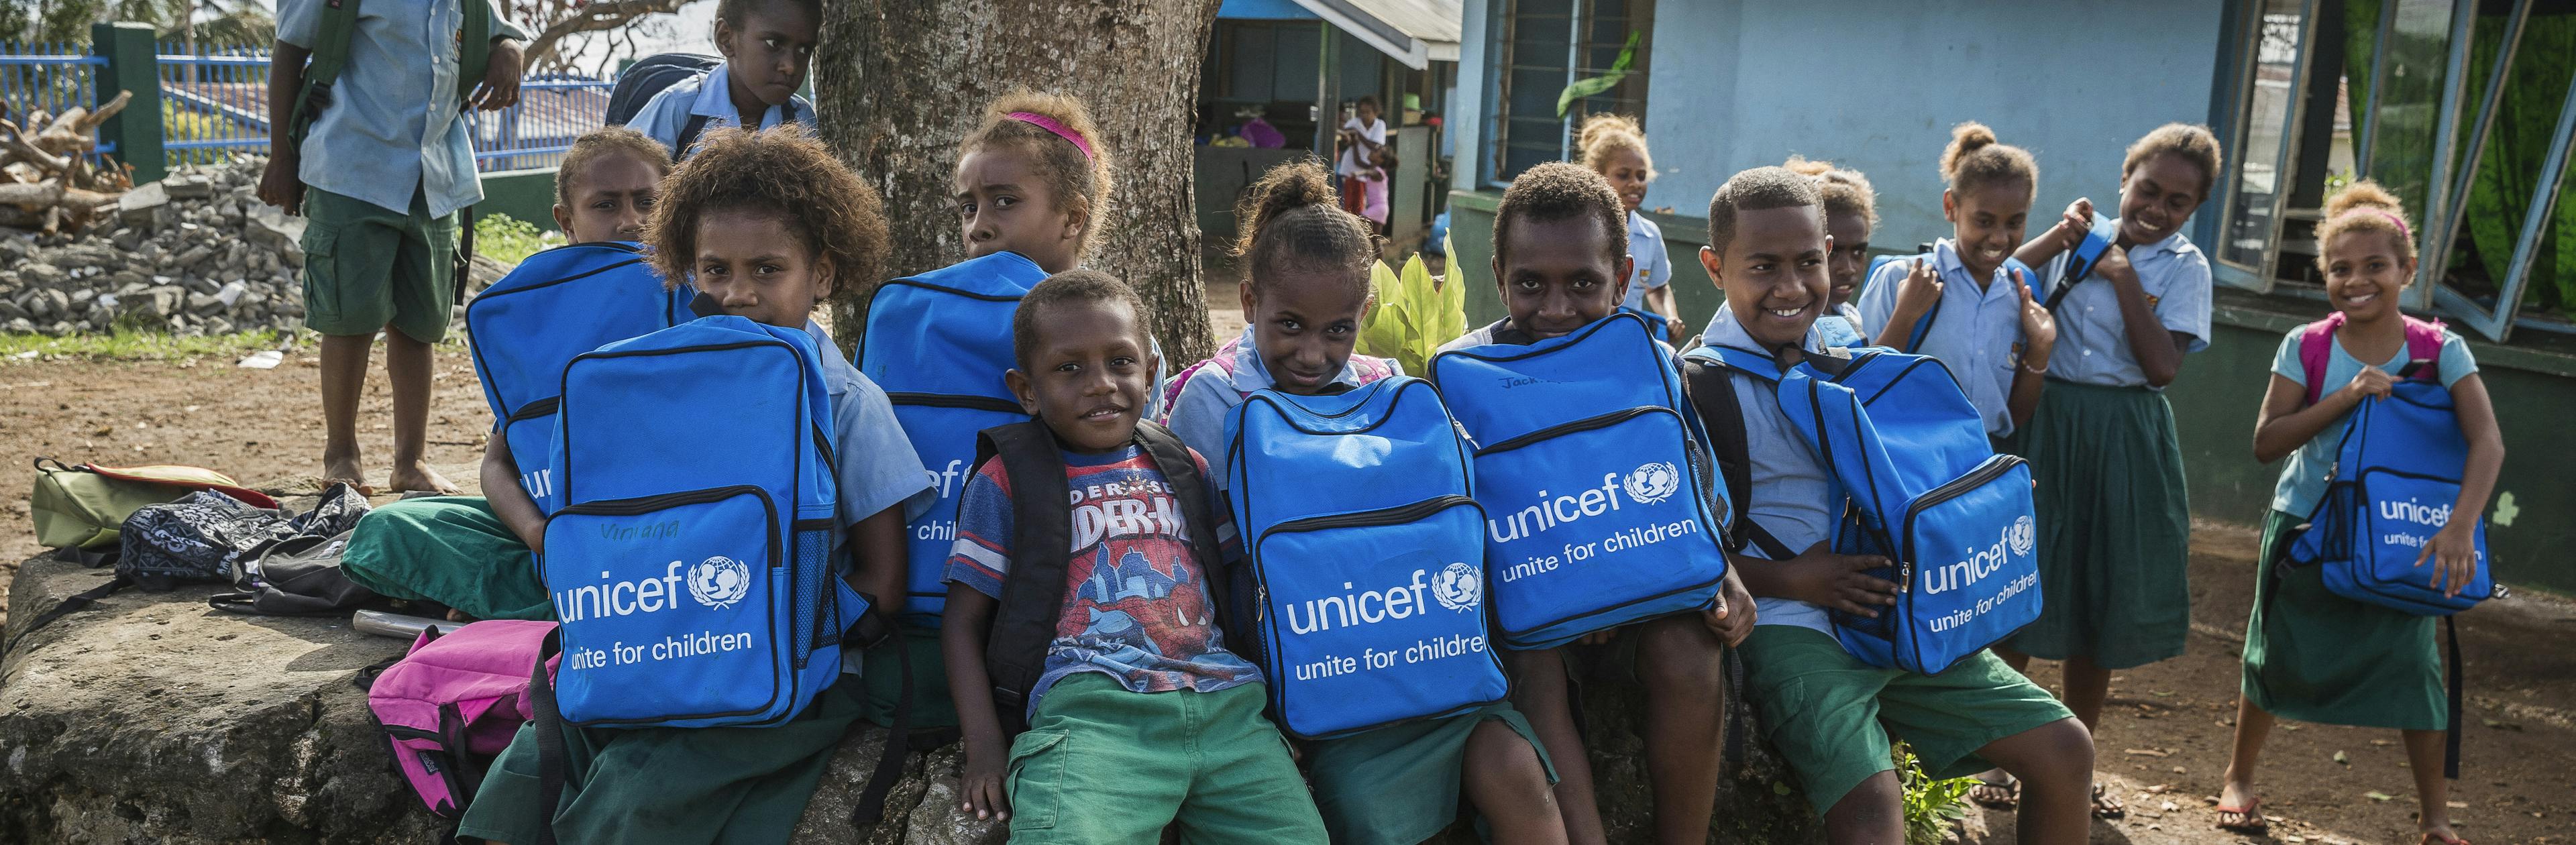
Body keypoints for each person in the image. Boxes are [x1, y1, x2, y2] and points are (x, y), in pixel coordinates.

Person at [451, 125, 934, 844]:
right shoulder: (655, 385)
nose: (737, 295)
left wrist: (777, 636)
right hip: (658, 634)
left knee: (644, 793)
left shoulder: (847, 402)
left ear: (823, 276)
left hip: (786, 669)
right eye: (714, 272)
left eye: (768, 271)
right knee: (541, 753)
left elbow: (883, 583)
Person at [1161, 159, 1568, 845]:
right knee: (1368, 811)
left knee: (1515, 765)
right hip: (1324, 677)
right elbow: (1204, 556)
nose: (1313, 354)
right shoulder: (1214, 397)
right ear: (1249, 297)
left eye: (1337, 330)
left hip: (1428, 653)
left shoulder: (1388, 387)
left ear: (1364, 316)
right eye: (1289, 325)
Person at [1695, 165, 2094, 845]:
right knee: (1873, 807)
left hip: (1895, 612)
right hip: (1791, 622)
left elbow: (1900, 476)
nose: (1791, 287)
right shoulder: (1699, 387)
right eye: (1763, 266)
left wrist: (1978, 508)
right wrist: (1792, 580)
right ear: (1714, 266)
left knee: (2066, 750)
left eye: (1808, 262)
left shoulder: (1847, 352)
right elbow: (1682, 545)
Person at [939, 270, 1330, 844]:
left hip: (1228, 710)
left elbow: (1239, 595)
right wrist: (985, 746)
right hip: (1093, 718)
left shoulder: (1186, 466)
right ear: (1026, 390)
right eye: (1069, 368)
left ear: (1150, 374)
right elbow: (961, 623)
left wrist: (1277, 715)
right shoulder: (1007, 480)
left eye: (1120, 363)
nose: (1100, 384)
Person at [1438, 162, 1756, 845]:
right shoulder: (1467, 378)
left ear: (1623, 277)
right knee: (1534, 661)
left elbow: (1693, 494)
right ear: (1500, 278)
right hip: (1529, 611)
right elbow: (1462, 529)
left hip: (1640, 591)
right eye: (1530, 284)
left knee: (1690, 651)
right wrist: (1571, 590)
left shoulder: (1650, 362)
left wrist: (1722, 569)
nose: (1555, 309)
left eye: (1583, 283)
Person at [2217, 180, 2501, 844]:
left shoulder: (2441, 350)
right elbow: (2267, 443)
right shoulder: (2307, 346)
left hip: (2406, 535)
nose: (2357, 280)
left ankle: (2435, 820)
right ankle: (2238, 777)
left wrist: (2460, 525)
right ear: (2325, 278)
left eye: (2376, 265)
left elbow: (2488, 440)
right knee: (2273, 656)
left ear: (2406, 270)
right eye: (2340, 269)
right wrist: (2346, 395)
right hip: (2308, 530)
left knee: (2414, 667)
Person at [337, 126, 675, 623]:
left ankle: (544, 602)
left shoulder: (700, 294)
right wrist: (540, 533)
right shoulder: (534, 317)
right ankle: (570, 597)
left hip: (672, 528)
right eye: (605, 206)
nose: (630, 222)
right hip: (561, 530)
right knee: (386, 528)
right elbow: (497, 466)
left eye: (648, 202)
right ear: (567, 221)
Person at [1996, 122, 2224, 816]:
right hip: (2047, 419)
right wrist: (2068, 239)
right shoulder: (2077, 239)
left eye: (2177, 202)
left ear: (2195, 209)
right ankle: (2002, 755)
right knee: (2022, 586)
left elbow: (2162, 366)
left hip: (2126, 432)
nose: (2156, 208)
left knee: (2100, 596)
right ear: (2124, 178)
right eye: (2146, 189)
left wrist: (2124, 277)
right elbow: (2004, 281)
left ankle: (2076, 760)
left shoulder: (2185, 269)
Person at [259, 0, 529, 495]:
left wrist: (509, 47)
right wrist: (281, 155)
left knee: (419, 324)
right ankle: (341, 456)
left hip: (436, 174)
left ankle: (412, 461)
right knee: (349, 319)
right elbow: (288, 54)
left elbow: (498, 32)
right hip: (351, 165)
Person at [1854, 122, 2055, 451]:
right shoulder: (1901, 278)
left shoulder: (2020, 296)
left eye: (2015, 223)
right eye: (1984, 221)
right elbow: (1860, 387)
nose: (1999, 238)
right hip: (1906, 457)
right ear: (1951, 207)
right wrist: (1905, 316)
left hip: (1981, 461)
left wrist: (2041, 348)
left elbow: (2013, 416)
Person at [623, 0, 820, 158]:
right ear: (726, 39)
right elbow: (624, 184)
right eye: (774, 43)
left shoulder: (799, 118)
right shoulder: (679, 109)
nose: (790, 66)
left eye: (804, 50)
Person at [1579, 113, 1684, 341]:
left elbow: (1657, 287)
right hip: (1583, 334)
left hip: (1627, 337)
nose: (1635, 183)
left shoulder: (1649, 234)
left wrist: (1670, 317)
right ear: (1598, 176)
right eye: (1623, 175)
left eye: (1642, 176)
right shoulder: (1579, 229)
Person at [1782, 156, 1878, 348]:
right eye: (1832, 253)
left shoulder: (1849, 318)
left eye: (1858, 252)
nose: (1848, 269)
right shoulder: (1784, 324)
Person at [1338, 95, 1392, 230]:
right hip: (1349, 169)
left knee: (1360, 207)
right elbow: (1346, 139)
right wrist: (1349, 138)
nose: (1364, 115)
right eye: (1362, 112)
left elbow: (1374, 146)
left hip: (1364, 172)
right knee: (1347, 204)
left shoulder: (1380, 125)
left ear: (1376, 112)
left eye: (1368, 112)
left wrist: (1358, 135)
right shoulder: (1354, 122)